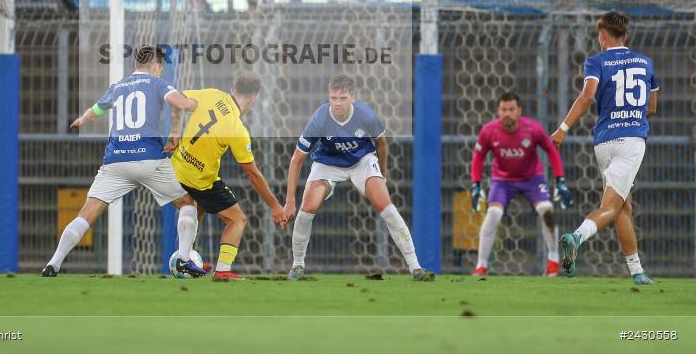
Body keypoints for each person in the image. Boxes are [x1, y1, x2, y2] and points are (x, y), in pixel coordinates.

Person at [42, 46, 205, 278]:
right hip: (149, 160)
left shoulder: (118, 86)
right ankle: (184, 259)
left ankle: (53, 264)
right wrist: (196, 105)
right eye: (160, 68)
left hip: (116, 161)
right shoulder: (158, 83)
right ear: (156, 67)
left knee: (86, 214)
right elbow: (183, 104)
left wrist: (80, 121)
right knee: (187, 204)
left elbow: (94, 111)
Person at [284, 74, 434, 281]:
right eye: (334, 98)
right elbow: (296, 159)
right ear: (329, 97)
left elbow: (381, 143)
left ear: (353, 97)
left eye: (343, 98)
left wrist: (382, 171)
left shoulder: (367, 116)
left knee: (386, 206)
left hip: (361, 161)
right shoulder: (319, 119)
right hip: (327, 163)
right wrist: (290, 200)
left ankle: (416, 267)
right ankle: (297, 266)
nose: (337, 103)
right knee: (307, 207)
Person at [552, 11, 658, 285]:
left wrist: (563, 128)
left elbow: (587, 96)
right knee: (611, 206)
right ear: (626, 35)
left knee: (623, 207)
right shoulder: (646, 63)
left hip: (603, 141)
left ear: (602, 36)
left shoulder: (596, 62)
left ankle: (637, 272)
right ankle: (577, 237)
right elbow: (652, 107)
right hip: (631, 140)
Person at [167, 72, 287, 281]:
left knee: (199, 208)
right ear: (253, 97)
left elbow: (176, 99)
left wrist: (175, 130)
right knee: (237, 219)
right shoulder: (236, 129)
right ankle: (223, 269)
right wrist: (275, 205)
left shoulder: (212, 94)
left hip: (176, 167)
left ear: (233, 89)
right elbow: (252, 173)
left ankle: (186, 258)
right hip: (200, 180)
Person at [469, 91, 573, 277]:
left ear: (519, 111)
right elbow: (478, 157)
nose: (507, 113)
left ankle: (553, 261)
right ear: (498, 111)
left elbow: (551, 150)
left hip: (532, 178)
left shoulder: (533, 129)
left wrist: (560, 180)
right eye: (503, 109)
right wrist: (475, 185)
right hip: (502, 181)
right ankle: (481, 265)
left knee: (547, 211)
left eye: (511, 109)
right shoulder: (488, 131)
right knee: (493, 213)